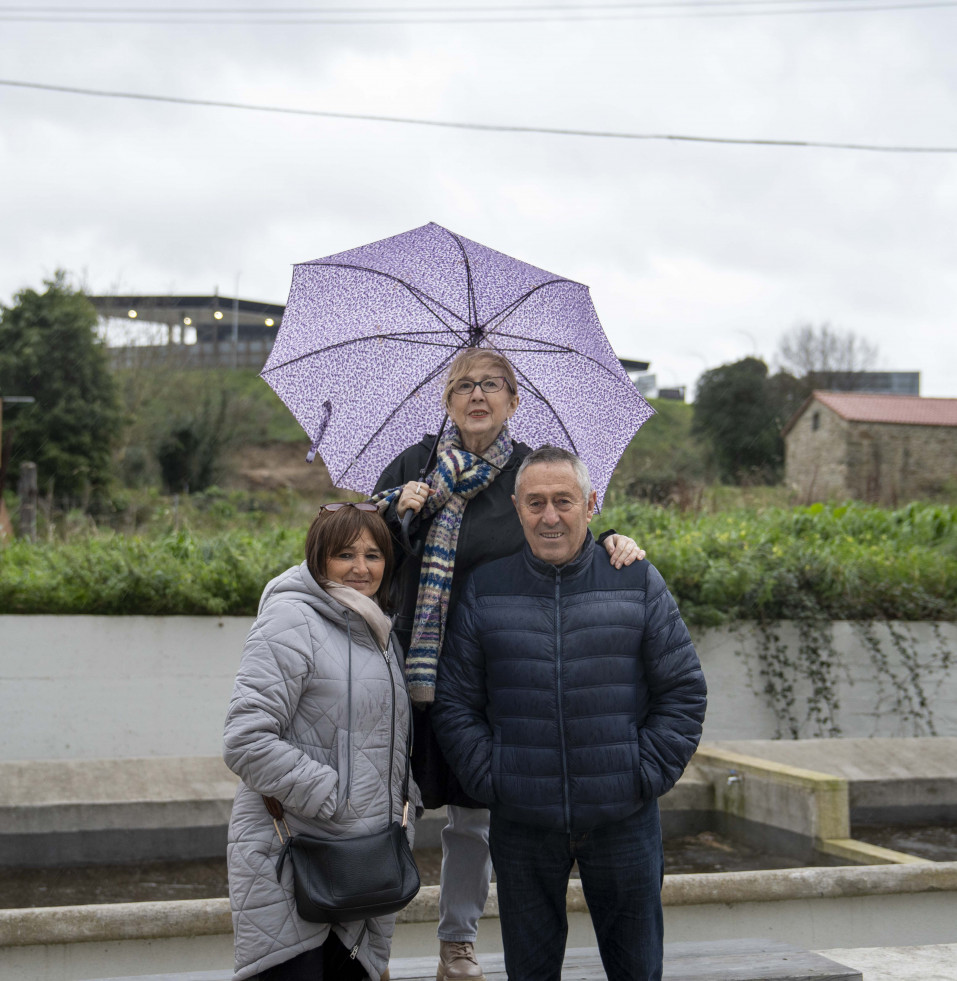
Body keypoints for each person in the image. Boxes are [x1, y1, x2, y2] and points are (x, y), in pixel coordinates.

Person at [373, 349, 645, 981]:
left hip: (490, 672)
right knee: (388, 810)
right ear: (446, 401)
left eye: (492, 385)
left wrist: (614, 540)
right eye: (463, 385)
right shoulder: (415, 466)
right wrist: (396, 507)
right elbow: (363, 553)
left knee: (473, 816)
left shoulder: (528, 472)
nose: (477, 396)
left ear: (513, 401)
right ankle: (370, 947)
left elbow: (566, 527)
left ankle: (457, 943)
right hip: (406, 660)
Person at [432, 445, 707, 981]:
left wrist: (640, 774)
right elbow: (455, 700)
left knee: (637, 970)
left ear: (591, 503)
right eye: (535, 503)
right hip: (521, 820)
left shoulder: (635, 579)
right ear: (517, 508)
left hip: (623, 818)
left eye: (564, 500)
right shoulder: (486, 589)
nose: (550, 516)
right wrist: (495, 778)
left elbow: (683, 692)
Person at [224, 501, 419, 981]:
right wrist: (334, 797)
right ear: (318, 559)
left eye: (374, 555)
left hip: (364, 865)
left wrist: (401, 806)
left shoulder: (380, 632)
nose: (361, 567)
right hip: (292, 858)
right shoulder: (290, 620)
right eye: (345, 554)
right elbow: (246, 739)